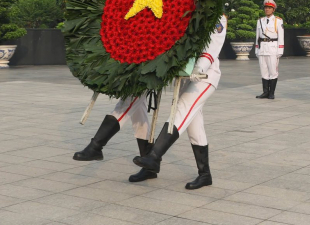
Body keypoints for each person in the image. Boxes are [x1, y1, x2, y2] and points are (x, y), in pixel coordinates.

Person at [76, 16, 228, 189]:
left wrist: (201, 65)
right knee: (193, 123)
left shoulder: (217, 16)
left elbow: (214, 43)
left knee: (182, 110)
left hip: (204, 76)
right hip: (183, 75)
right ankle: (202, 174)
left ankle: (154, 157)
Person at [255, 0, 284, 99]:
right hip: (262, 48)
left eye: (269, 8)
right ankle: (265, 92)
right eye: (266, 8)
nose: (267, 9)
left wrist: (280, 50)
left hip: (272, 48)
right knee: (263, 71)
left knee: (273, 71)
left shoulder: (278, 21)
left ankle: (271, 93)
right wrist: (257, 49)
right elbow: (257, 37)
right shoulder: (260, 21)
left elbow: (281, 36)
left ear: (273, 10)